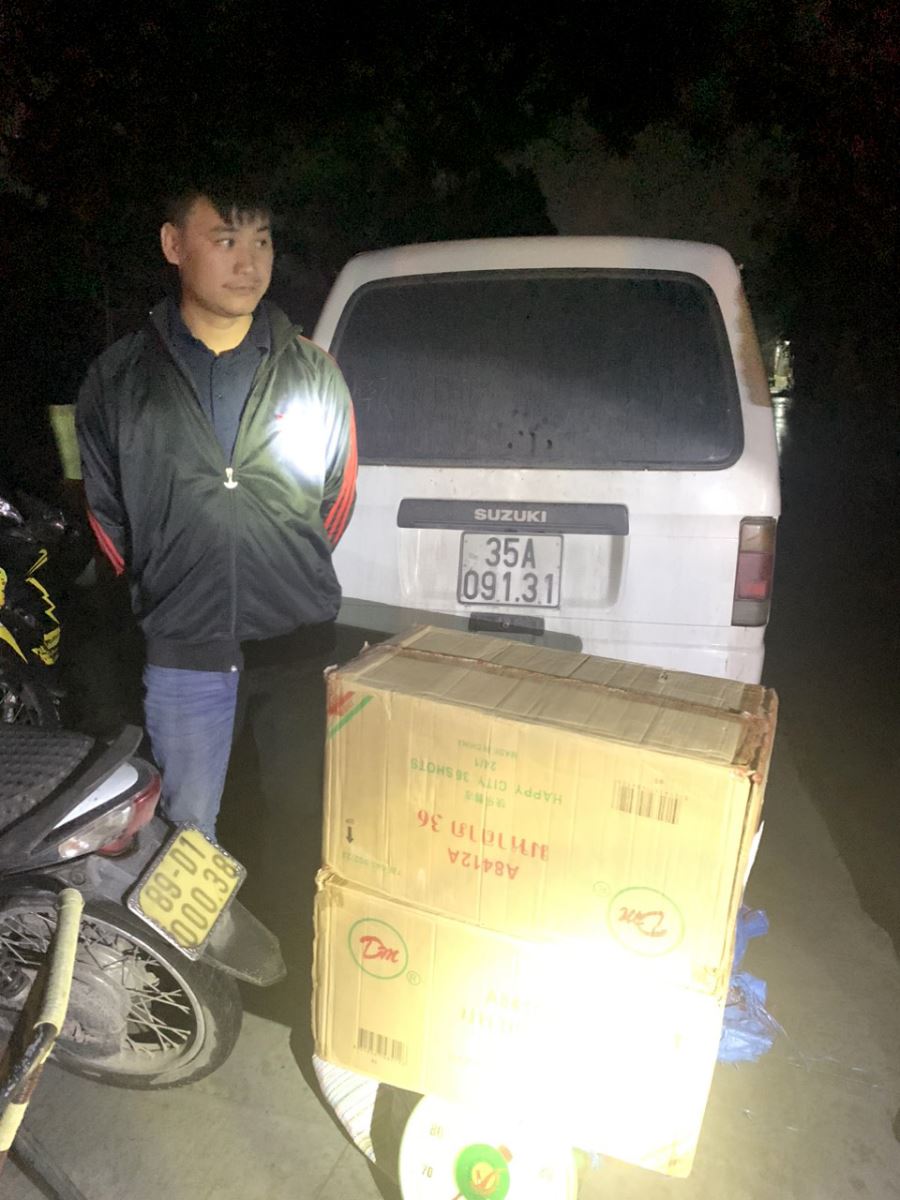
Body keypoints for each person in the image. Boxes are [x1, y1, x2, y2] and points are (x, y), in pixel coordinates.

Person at [76, 184, 357, 839]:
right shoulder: (119, 378)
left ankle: (289, 912)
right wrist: (166, 581)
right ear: (174, 244)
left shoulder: (312, 371)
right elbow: (105, 511)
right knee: (188, 830)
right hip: (185, 653)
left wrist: (285, 570)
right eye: (226, 240)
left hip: (297, 648)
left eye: (261, 241)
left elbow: (336, 498)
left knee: (304, 824)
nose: (248, 263)